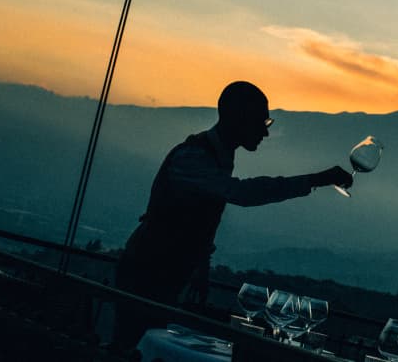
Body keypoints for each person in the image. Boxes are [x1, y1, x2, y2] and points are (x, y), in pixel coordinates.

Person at [113, 81, 352, 347]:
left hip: (160, 271)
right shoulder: (194, 157)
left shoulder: (214, 156)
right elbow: (242, 193)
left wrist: (199, 267)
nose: (265, 132)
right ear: (239, 119)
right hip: (148, 271)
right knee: (133, 345)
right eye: (262, 122)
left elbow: (195, 217)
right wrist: (315, 179)